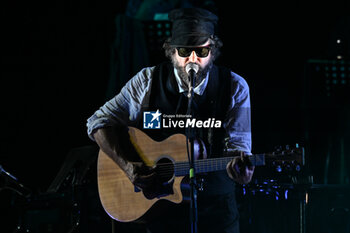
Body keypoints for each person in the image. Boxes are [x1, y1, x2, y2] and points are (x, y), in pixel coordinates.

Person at [87, 8, 254, 233]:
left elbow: (239, 149)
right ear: (171, 52)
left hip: (216, 212)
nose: (192, 60)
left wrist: (242, 171)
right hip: (161, 212)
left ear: (213, 52)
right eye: (184, 50)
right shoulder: (147, 81)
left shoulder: (235, 86)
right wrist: (129, 167)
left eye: (201, 52)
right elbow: (98, 122)